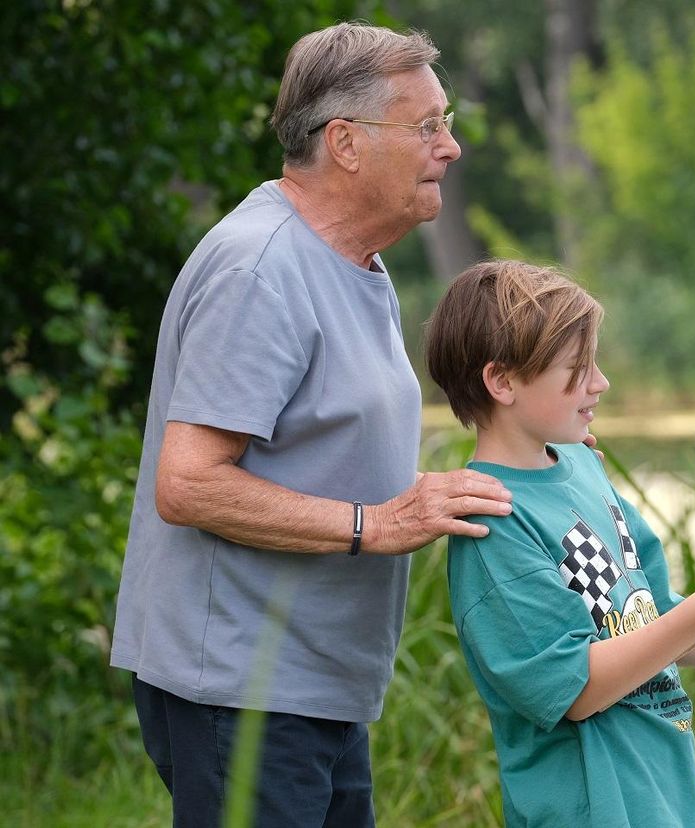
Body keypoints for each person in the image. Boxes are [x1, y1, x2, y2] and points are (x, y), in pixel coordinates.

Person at [109, 23, 516, 828]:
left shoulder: (356, 263)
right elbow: (187, 484)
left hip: (313, 686)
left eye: (449, 120)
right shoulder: (259, 270)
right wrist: (376, 524)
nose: (452, 147)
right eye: (427, 125)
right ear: (346, 144)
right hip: (240, 688)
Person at [423, 259, 695, 828]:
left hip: (663, 794)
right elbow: (578, 688)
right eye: (577, 368)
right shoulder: (494, 525)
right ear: (503, 381)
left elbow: (646, 623)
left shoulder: (585, 469)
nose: (600, 383)